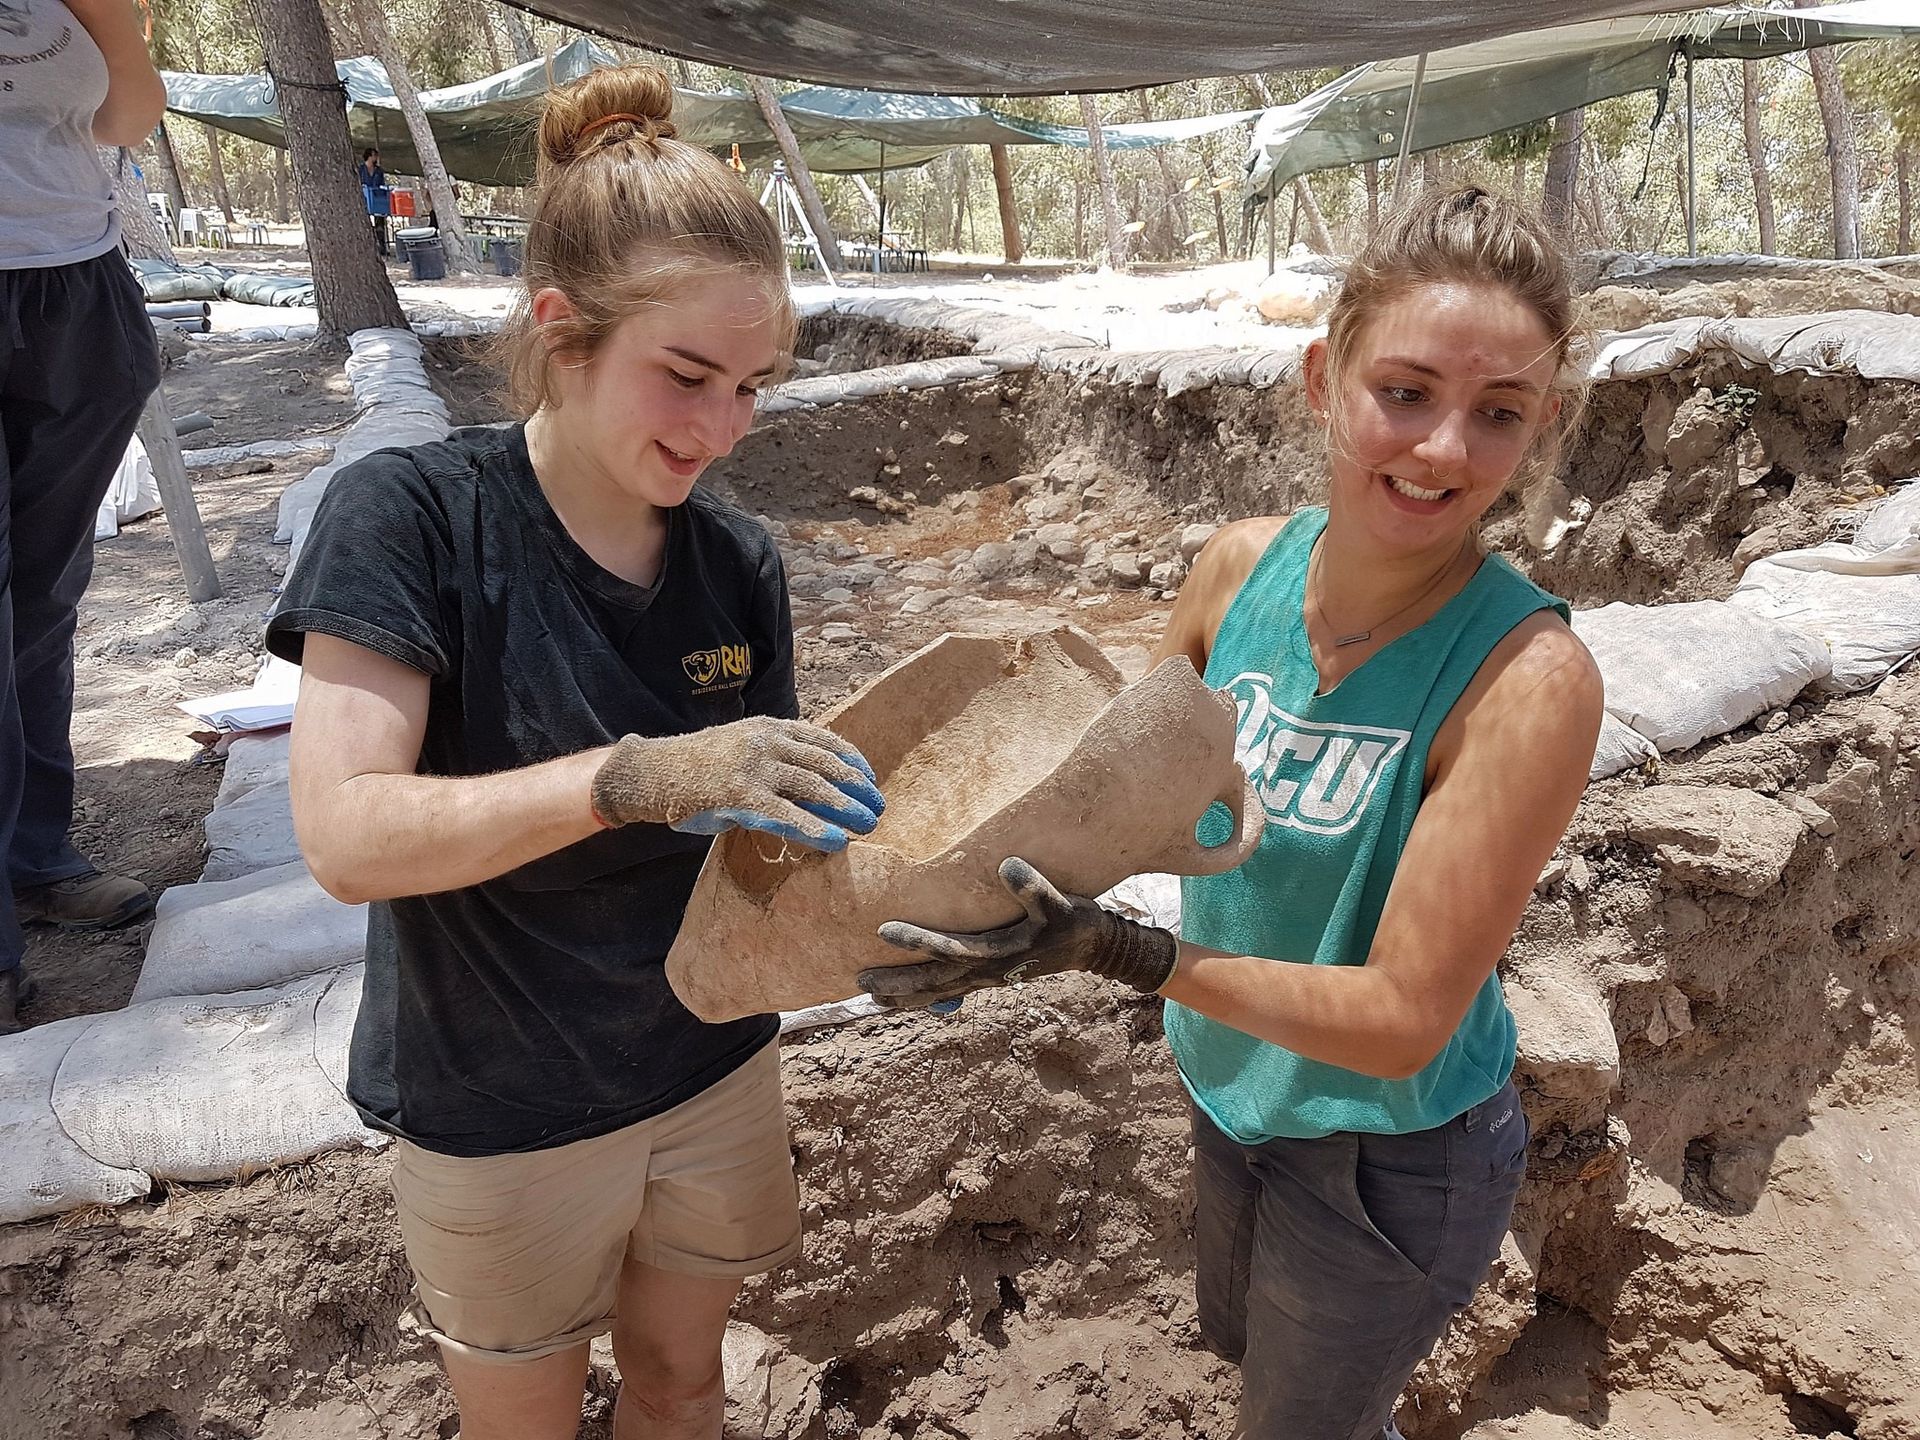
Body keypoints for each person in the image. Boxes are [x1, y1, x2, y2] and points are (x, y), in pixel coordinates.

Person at [862, 186, 1606, 1440]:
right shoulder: (1234, 573)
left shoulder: (1528, 679)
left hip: (1387, 1154)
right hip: (1230, 1088)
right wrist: (947, 893)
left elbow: (1402, 1024)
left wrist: (1118, 950)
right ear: (1326, 378)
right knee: (1259, 1375)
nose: (1441, 451)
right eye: (1406, 393)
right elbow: (1111, 802)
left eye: (1499, 416)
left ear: (1540, 433)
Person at [270, 66, 884, 1440]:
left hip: (703, 1066)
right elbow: (347, 836)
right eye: (686, 377)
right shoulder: (414, 518)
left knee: (679, 1383)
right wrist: (632, 779)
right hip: (495, 1097)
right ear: (562, 333)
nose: (720, 428)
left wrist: (909, 917)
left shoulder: (734, 562)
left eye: (751, 386)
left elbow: (771, 850)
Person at [1, 0, 168, 1034]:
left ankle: (34, 855)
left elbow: (121, 121)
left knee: (43, 599)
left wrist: (113, 26)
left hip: (76, 294)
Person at [359, 147, 391, 257]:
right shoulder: (360, 169)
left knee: (380, 222)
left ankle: (381, 247)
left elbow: (381, 184)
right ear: (370, 156)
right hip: (363, 199)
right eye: (375, 156)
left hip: (376, 199)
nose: (376, 158)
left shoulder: (379, 171)